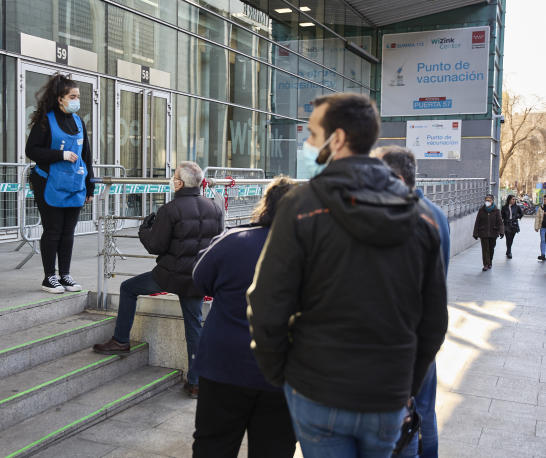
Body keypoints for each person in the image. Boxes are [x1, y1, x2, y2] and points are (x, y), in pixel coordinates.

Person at [246, 93, 448, 458]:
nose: (307, 144)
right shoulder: (422, 216)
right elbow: (433, 322)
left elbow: (266, 303)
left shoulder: (300, 206)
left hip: (317, 389)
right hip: (387, 393)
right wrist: (406, 383)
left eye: (311, 134)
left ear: (336, 139)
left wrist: (282, 375)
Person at [93, 162, 224, 398]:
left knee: (128, 288)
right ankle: (195, 382)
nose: (172, 180)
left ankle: (121, 340)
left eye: (174, 177)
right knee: (194, 326)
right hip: (198, 278)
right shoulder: (215, 208)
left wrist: (144, 229)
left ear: (180, 183)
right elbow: (218, 245)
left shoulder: (170, 209)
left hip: (170, 276)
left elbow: (155, 245)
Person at [191, 176, 297, 458]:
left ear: (264, 206)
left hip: (224, 366)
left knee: (213, 445)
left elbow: (200, 279)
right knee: (274, 448)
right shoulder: (314, 253)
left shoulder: (233, 240)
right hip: (283, 372)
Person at [374, 146, 450, 458]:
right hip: (425, 333)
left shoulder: (406, 218)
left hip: (402, 336)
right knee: (425, 412)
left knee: (401, 420)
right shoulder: (437, 213)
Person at [26, 73, 95, 293]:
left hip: (74, 184)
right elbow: (32, 150)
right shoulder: (46, 120)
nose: (77, 100)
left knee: (68, 232)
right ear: (60, 98)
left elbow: (86, 154)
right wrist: (60, 155)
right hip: (48, 183)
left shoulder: (78, 121)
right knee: (53, 230)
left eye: (78, 96)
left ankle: (65, 274)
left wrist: (90, 185)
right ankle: (49, 277)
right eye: (72, 95)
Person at [473, 194, 504, 271]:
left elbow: (500, 222)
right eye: (486, 200)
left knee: (491, 249)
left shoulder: (497, 211)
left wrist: (501, 231)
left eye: (489, 200)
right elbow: (477, 222)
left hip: (493, 233)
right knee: (485, 249)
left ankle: (490, 262)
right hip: (483, 232)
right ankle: (486, 264)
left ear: (492, 201)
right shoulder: (481, 210)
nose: (487, 202)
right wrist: (475, 233)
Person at [501, 195, 523, 259]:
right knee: (508, 238)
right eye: (512, 199)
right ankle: (509, 251)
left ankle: (508, 250)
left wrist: (516, 217)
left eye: (514, 199)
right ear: (509, 200)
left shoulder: (517, 207)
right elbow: (501, 216)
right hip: (506, 224)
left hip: (514, 224)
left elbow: (521, 214)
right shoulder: (504, 207)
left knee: (511, 238)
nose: (514, 200)